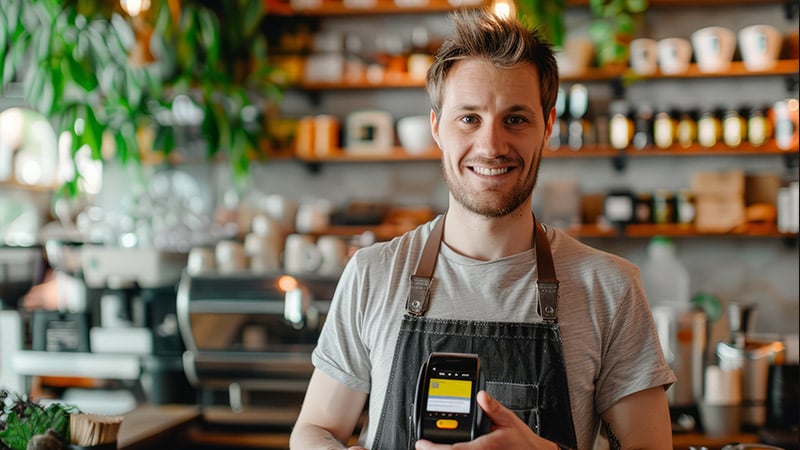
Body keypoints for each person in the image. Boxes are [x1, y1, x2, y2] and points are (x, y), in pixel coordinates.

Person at [290, 8, 676, 450]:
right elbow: (314, 431)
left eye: (515, 119)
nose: (491, 146)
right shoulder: (373, 274)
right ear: (437, 128)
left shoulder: (609, 288)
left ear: (547, 126)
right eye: (469, 118)